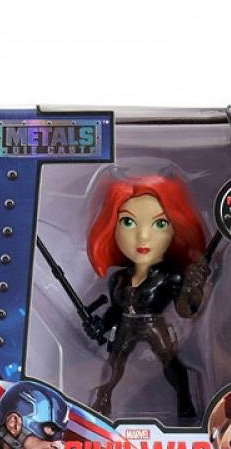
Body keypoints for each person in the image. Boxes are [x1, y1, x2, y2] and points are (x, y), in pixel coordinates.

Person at [85, 171, 208, 422]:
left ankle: (185, 399)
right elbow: (115, 310)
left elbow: (186, 310)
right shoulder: (119, 279)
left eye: (160, 224)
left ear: (176, 227)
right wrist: (100, 326)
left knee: (171, 363)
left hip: (154, 324)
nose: (143, 236)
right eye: (128, 222)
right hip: (127, 324)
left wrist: (194, 286)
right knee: (115, 364)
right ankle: (103, 399)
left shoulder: (170, 276)